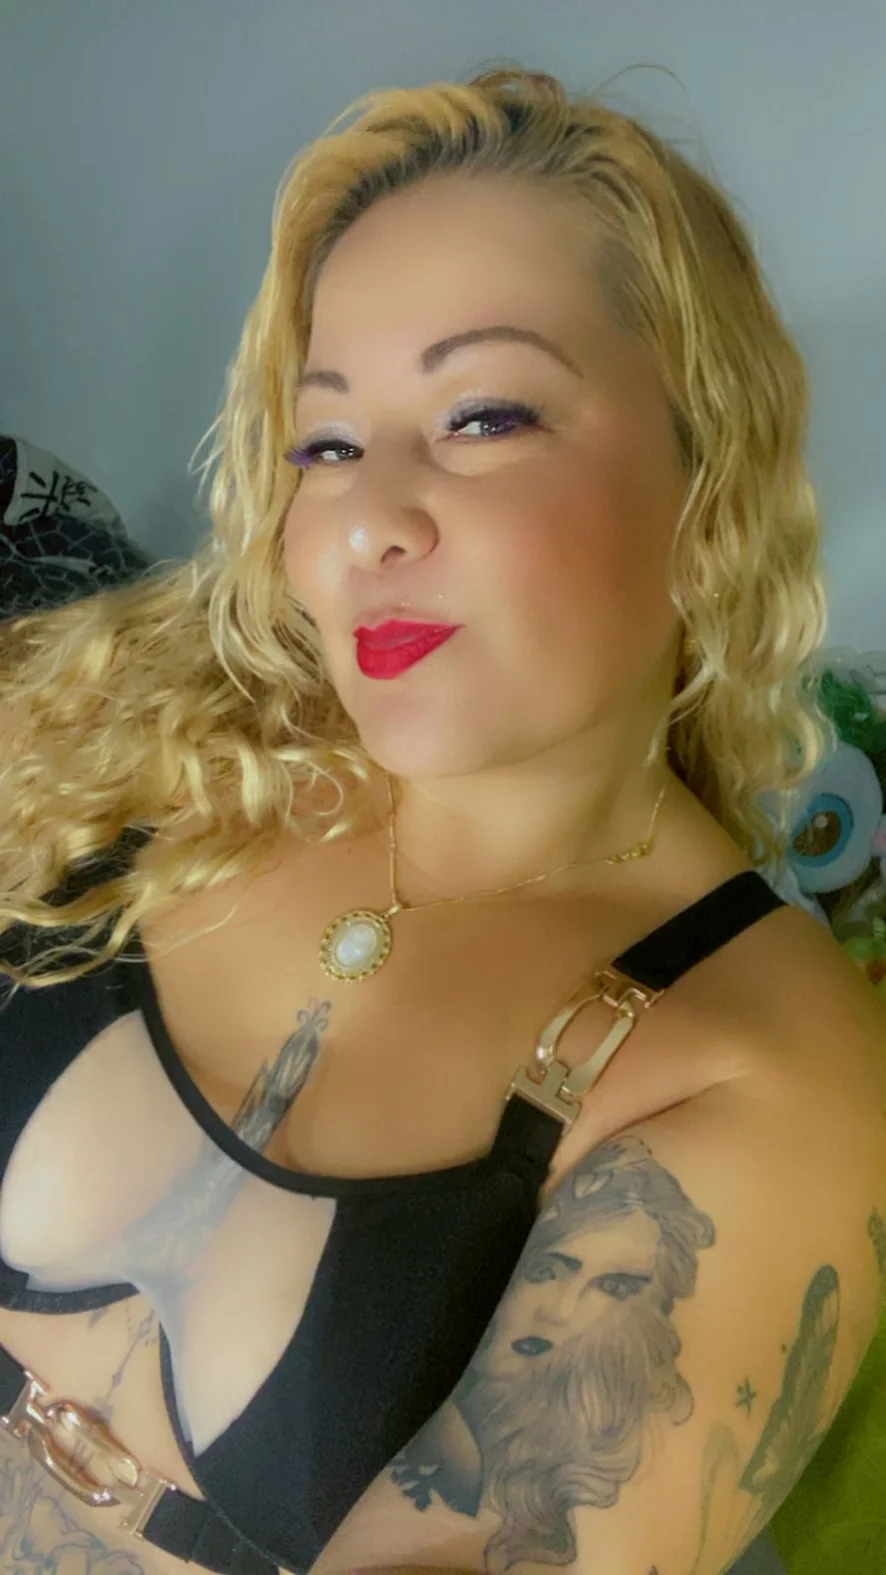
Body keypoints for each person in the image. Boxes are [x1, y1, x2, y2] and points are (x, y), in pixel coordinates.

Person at [0, 61, 883, 1575]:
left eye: (482, 417)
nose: (365, 520)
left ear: (709, 485)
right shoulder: (147, 733)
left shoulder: (755, 1068)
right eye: (328, 444)